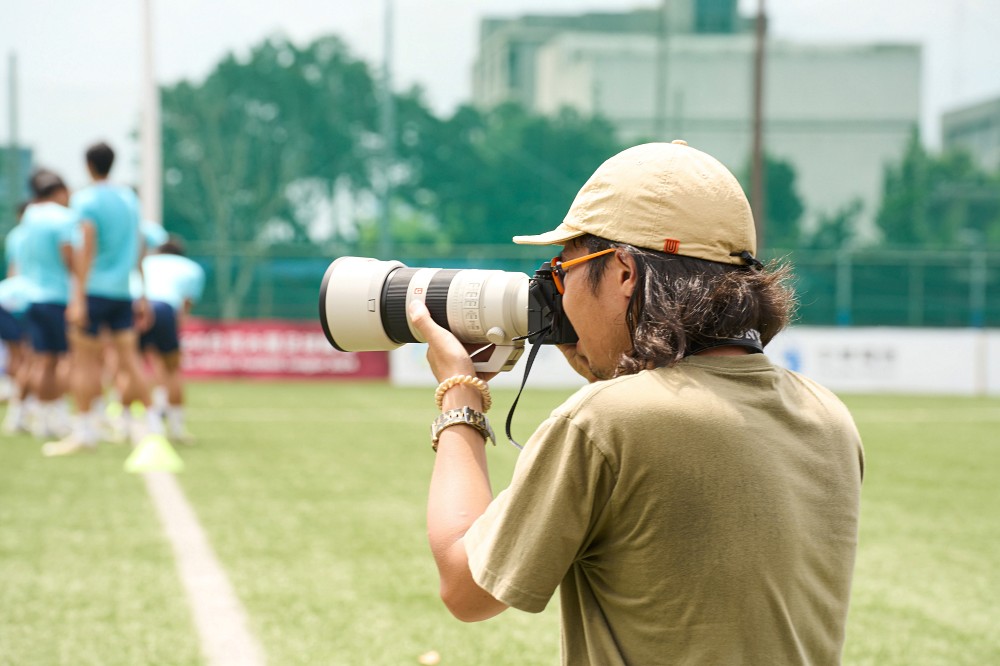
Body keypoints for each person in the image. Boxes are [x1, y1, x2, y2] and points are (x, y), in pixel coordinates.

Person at [406, 141, 865, 665]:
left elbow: (465, 587)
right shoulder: (827, 416)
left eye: (562, 269)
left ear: (624, 272)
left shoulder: (606, 422)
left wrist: (459, 395)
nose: (556, 293)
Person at [43, 142, 161, 456]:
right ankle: (153, 425)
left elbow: (87, 246)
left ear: (88, 165)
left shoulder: (85, 199)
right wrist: (143, 292)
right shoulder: (129, 198)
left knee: (85, 362)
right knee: (130, 360)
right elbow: (139, 245)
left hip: (94, 291)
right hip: (124, 291)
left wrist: (78, 296)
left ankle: (85, 431)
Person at [13, 170, 77, 439]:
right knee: (59, 361)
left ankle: (38, 417)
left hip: (31, 297)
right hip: (57, 298)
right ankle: (54, 417)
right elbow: (69, 258)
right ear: (60, 191)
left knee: (39, 361)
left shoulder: (29, 218)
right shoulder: (63, 218)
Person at [131, 235, 205, 443]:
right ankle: (176, 428)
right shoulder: (191, 268)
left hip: (137, 306)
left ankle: (127, 423)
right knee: (172, 370)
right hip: (164, 308)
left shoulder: (146, 262)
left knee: (132, 367)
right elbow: (185, 307)